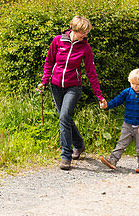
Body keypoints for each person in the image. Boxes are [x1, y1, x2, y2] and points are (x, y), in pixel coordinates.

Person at [38, 15, 106, 170]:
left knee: (64, 117)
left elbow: (91, 72)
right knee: (65, 118)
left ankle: (66, 156)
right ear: (75, 30)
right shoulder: (58, 41)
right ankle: (79, 145)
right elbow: (49, 61)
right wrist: (44, 81)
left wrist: (99, 95)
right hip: (56, 86)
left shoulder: (85, 48)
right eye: (83, 32)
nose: (85, 35)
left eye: (87, 32)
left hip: (73, 87)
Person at [100, 68, 139, 173]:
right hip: (127, 124)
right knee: (121, 144)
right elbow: (116, 101)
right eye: (132, 83)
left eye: (138, 84)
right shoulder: (127, 92)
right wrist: (107, 105)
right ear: (129, 81)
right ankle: (113, 160)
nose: (135, 86)